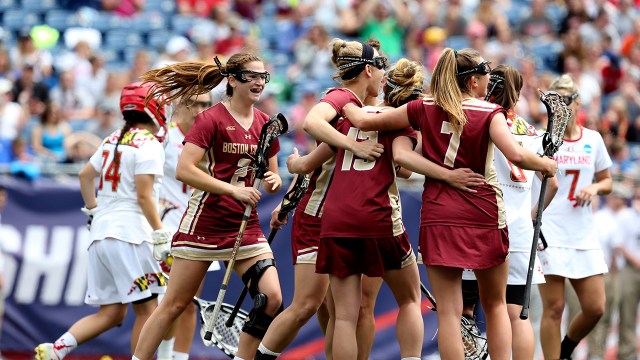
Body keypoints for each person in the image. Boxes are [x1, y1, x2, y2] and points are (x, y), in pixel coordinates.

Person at [342, 48, 557, 360]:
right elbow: (518, 156)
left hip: (439, 213)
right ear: (472, 82)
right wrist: (547, 165)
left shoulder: (421, 106)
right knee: (496, 305)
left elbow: (368, 123)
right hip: (483, 213)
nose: (488, 85)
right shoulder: (488, 112)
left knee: (449, 313)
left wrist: (341, 101)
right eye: (485, 78)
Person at [132, 53, 283, 360]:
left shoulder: (266, 124)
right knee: (174, 305)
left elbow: (272, 177)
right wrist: (232, 190)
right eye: (250, 76)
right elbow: (185, 170)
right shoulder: (210, 119)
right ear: (232, 80)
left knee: (272, 299)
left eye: (262, 77)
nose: (258, 82)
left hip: (245, 228)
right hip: (204, 224)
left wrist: (272, 182)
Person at [286, 57, 429, 360]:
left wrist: (292, 164)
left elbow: (307, 163)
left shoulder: (345, 116)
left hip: (337, 221)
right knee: (409, 299)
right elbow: (404, 165)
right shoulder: (403, 119)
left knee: (345, 318)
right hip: (379, 218)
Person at [253, 38, 385, 360]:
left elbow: (313, 161)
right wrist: (356, 147)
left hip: (340, 218)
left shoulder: (362, 110)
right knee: (308, 305)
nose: (385, 75)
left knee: (337, 311)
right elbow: (311, 123)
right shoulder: (342, 97)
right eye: (382, 68)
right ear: (368, 70)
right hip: (317, 217)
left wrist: (293, 181)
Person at [34, 81, 171, 360]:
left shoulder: (112, 139)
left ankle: (56, 350)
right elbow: (144, 197)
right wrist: (159, 233)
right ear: (153, 108)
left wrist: (94, 210)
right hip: (131, 235)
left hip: (100, 235)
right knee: (149, 311)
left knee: (111, 312)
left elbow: (85, 175)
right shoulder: (150, 145)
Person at [459, 64, 559, 360]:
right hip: (518, 230)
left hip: (479, 222)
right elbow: (551, 185)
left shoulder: (478, 119)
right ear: (516, 93)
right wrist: (529, 217)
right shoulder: (533, 132)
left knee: (466, 309)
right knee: (517, 312)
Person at [537, 73, 613, 360]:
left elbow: (607, 182)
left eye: (566, 101)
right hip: (551, 230)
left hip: (582, 232)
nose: (561, 108)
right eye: (555, 102)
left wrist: (593, 187)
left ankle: (565, 350)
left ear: (577, 103)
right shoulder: (544, 140)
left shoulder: (592, 139)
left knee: (596, 307)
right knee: (554, 308)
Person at [155, 92, 212, 360]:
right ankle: (162, 355)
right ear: (184, 105)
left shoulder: (213, 137)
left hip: (199, 225)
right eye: (197, 103)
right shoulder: (166, 136)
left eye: (207, 104)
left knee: (190, 302)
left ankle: (179, 357)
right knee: (165, 301)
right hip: (166, 226)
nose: (201, 109)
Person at [615, 185, 640, 360]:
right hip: (631, 270)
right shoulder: (625, 216)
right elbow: (619, 244)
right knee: (627, 314)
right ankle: (627, 354)